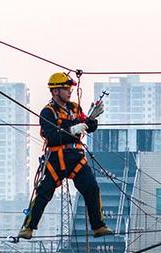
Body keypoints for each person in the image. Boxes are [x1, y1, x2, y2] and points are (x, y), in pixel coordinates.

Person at [19, 72, 112, 240]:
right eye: (66, 88)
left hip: (76, 157)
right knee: (44, 192)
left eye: (70, 89)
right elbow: (52, 136)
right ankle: (28, 227)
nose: (69, 92)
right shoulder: (48, 113)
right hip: (57, 158)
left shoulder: (75, 108)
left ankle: (98, 226)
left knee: (92, 188)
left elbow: (87, 125)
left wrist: (92, 121)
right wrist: (73, 129)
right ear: (55, 91)